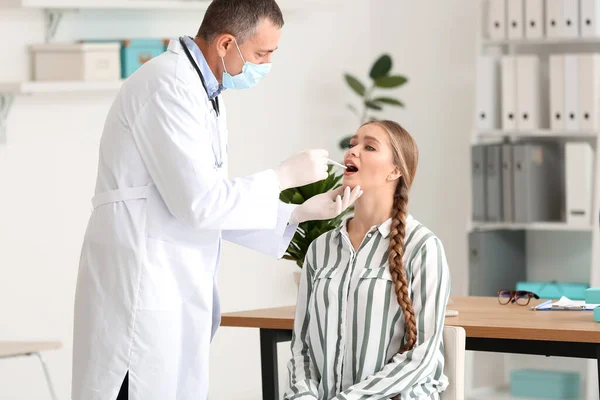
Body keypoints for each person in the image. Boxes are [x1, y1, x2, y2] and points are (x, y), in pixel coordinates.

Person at [71, 1, 363, 399]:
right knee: (134, 384)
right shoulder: (167, 86)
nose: (266, 65)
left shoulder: (205, 91)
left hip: (170, 284)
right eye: (261, 54)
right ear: (226, 43)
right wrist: (283, 177)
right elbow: (199, 204)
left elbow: (206, 203)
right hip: (141, 286)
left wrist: (294, 212)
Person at [285, 120, 451, 400]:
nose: (352, 152)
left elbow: (421, 354)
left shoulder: (423, 247)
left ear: (395, 171)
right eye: (352, 145)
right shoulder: (320, 249)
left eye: (369, 146)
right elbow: (302, 347)